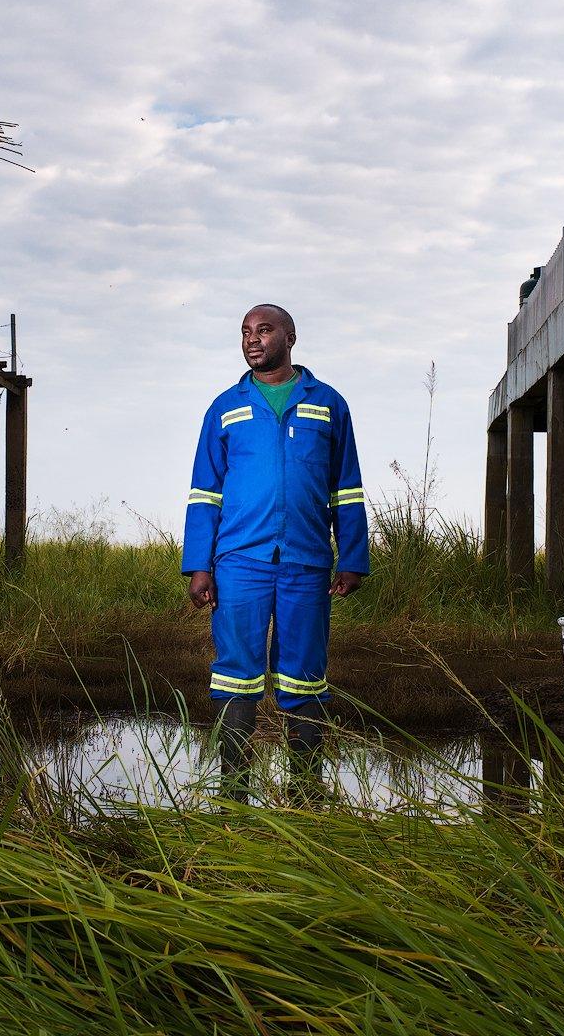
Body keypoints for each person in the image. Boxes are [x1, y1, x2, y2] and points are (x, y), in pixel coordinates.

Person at [182, 304, 368, 802]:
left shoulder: (327, 404)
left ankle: (306, 792)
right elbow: (205, 492)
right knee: (235, 671)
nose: (252, 339)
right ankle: (233, 790)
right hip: (239, 561)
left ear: (290, 336)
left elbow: (345, 489)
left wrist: (352, 557)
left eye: (264, 330)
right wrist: (200, 565)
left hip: (306, 562)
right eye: (245, 332)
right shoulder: (225, 407)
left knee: (304, 673)